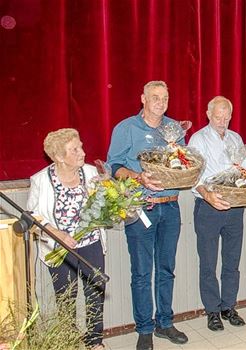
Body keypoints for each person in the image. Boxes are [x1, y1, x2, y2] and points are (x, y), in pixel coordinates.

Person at [106, 81, 188, 350]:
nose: (160, 102)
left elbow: (184, 164)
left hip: (171, 207)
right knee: (141, 272)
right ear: (142, 98)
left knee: (166, 269)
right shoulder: (126, 128)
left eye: (165, 97)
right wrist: (139, 177)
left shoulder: (174, 130)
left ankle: (164, 322)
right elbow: (114, 165)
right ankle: (144, 329)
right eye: (154, 97)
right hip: (141, 208)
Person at [189, 96, 246, 331]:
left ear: (231, 116)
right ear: (208, 114)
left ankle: (228, 306)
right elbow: (194, 175)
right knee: (208, 263)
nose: (222, 120)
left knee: (232, 262)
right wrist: (208, 194)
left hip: (234, 210)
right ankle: (212, 311)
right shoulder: (198, 139)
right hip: (208, 208)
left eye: (226, 116)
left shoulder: (236, 139)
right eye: (218, 116)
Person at [27, 128, 106, 350]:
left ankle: (94, 341)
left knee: (95, 293)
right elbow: (32, 216)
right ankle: (69, 341)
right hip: (60, 248)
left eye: (81, 146)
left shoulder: (91, 173)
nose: (82, 152)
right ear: (60, 157)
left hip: (91, 243)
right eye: (75, 149)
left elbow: (103, 204)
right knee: (66, 297)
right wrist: (57, 233)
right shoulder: (41, 180)